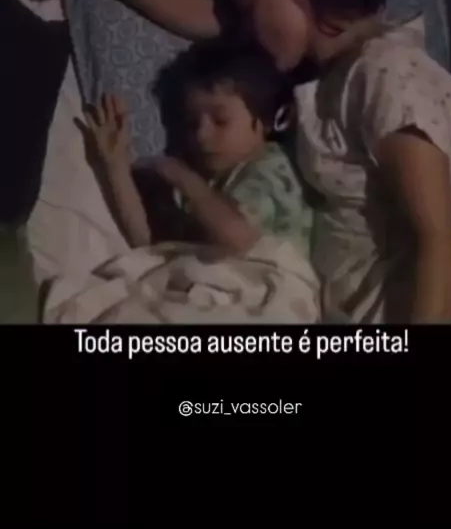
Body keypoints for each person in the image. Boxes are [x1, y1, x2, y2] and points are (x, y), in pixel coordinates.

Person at [12, 0, 451, 323]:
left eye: (249, 7)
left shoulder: (386, 73)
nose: (245, 29)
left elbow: (438, 242)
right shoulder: (321, 82)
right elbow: (213, 19)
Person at [42, 40, 318, 325]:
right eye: (192, 123)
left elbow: (239, 239)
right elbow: (152, 246)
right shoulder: (207, 186)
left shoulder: (271, 165)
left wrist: (182, 178)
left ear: (265, 120)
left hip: (270, 295)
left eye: (220, 120)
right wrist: (116, 166)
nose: (201, 135)